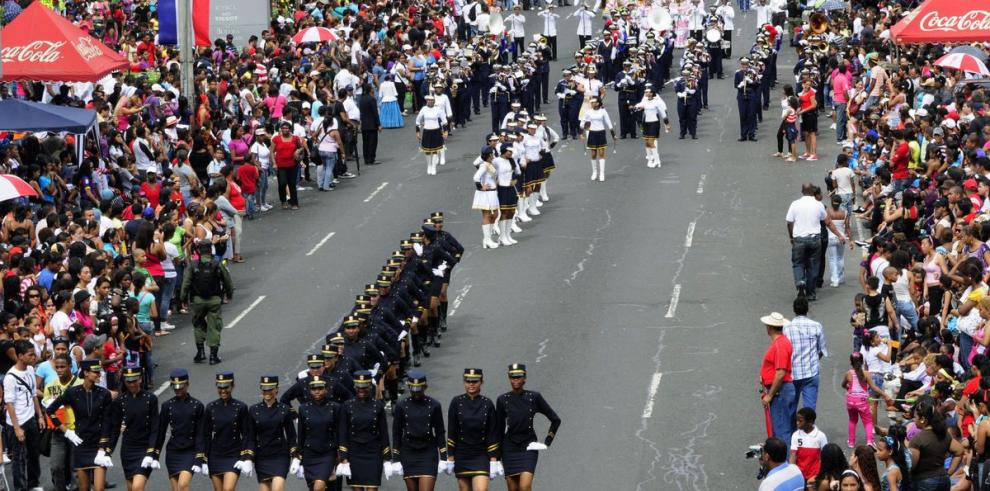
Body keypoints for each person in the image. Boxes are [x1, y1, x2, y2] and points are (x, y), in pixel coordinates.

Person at [46, 359, 114, 491]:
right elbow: (50, 410)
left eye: (99, 372)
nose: (99, 375)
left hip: (98, 444)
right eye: (95, 372)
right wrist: (66, 431)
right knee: (84, 488)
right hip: (81, 444)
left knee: (99, 488)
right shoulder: (72, 392)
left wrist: (102, 447)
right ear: (86, 373)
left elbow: (107, 422)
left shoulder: (104, 394)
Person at [495, 364, 561, 491]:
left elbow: (555, 419)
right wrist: (496, 457)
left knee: (525, 486)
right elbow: (498, 430)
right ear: (509, 378)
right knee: (513, 488)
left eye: (519, 377)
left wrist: (547, 441)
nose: (515, 380)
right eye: (512, 377)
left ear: (524, 378)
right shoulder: (502, 400)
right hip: (509, 448)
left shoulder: (534, 397)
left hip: (528, 446)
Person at [786, 183, 847, 301]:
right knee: (813, 265)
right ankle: (811, 293)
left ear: (802, 191)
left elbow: (789, 222)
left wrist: (791, 237)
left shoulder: (795, 204)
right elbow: (828, 222)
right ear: (812, 192)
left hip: (799, 239)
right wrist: (839, 235)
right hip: (815, 239)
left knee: (798, 263)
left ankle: (800, 282)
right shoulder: (818, 205)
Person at [105, 366, 159, 491]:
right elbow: (115, 429)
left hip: (145, 448)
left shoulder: (151, 399)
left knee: (137, 487)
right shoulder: (120, 401)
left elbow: (155, 427)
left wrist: (151, 452)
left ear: (140, 379)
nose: (132, 384)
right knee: (131, 488)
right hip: (128, 449)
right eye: (128, 381)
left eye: (135, 380)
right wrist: (108, 451)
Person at [338, 370, 393, 490]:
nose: (361, 390)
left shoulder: (378, 406)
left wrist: (387, 458)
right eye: (358, 387)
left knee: (372, 487)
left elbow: (384, 434)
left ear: (370, 387)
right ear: (354, 387)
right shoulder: (347, 406)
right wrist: (344, 458)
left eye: (365, 387)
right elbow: (343, 433)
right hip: (354, 452)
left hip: (373, 452)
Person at [392, 370, 447, 490]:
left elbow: (439, 432)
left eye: (419, 389)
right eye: (413, 389)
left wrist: (443, 456)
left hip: (428, 451)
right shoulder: (401, 406)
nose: (416, 392)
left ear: (425, 387)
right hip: (408, 452)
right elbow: (396, 432)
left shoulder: (434, 405)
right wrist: (395, 457)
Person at [447, 368, 501, 490]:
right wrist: (450, 456)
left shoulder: (488, 404)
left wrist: (493, 460)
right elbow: (452, 431)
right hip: (462, 454)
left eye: (475, 381)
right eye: (468, 381)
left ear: (482, 382)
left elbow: (492, 434)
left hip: (481, 454)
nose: (471, 384)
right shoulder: (456, 402)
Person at [181, 240, 233, 365]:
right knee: (214, 326)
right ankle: (213, 356)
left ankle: (200, 353)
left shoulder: (193, 265)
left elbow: (186, 284)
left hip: (198, 300)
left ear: (198, 250)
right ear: (210, 250)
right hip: (214, 300)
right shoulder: (217, 264)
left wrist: (183, 299)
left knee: (198, 324)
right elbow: (227, 281)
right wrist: (229, 294)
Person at [153, 368, 205, 491]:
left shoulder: (197, 406)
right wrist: (154, 454)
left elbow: (201, 434)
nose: (177, 390)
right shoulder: (167, 406)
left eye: (180, 387)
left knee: (183, 485)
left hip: (190, 450)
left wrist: (200, 457)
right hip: (173, 452)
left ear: (187, 384)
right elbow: (160, 432)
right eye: (175, 387)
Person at [244, 375, 297, 490]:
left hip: (280, 455)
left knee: (277, 488)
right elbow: (251, 437)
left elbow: (291, 435)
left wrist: (295, 456)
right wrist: (248, 458)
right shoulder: (254, 410)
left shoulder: (284, 409)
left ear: (277, 389)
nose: (267, 392)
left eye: (270, 389)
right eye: (264, 389)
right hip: (262, 455)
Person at [4, 339, 43, 491]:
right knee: (18, 460)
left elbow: (33, 394)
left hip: (31, 419)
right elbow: (9, 404)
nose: (34, 357)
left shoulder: (31, 370)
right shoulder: (10, 377)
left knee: (34, 454)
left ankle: (33, 484)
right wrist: (16, 428)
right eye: (30, 355)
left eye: (34, 354)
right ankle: (20, 488)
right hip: (17, 423)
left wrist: (39, 415)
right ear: (20, 356)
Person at [202, 371, 251, 491]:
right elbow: (206, 435)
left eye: (226, 387)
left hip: (233, 454)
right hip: (215, 455)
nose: (223, 390)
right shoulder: (210, 407)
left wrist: (245, 457)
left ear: (233, 386)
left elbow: (246, 434)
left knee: (228, 489)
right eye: (220, 387)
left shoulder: (241, 407)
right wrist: (203, 459)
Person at [41, 352, 82, 491]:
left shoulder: (81, 384)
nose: (59, 370)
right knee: (56, 466)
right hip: (58, 432)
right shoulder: (50, 387)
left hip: (77, 431)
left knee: (76, 468)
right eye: (57, 367)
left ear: (70, 367)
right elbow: (48, 409)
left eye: (62, 367)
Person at [295, 375, 342, 490]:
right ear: (310, 391)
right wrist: (298, 457)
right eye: (314, 389)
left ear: (326, 389)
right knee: (313, 488)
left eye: (320, 389)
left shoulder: (334, 407)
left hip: (327, 453)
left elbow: (339, 431)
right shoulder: (303, 408)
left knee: (318, 487)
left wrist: (341, 453)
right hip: (309, 454)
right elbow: (301, 434)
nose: (317, 392)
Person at [908, 396, 965, 490]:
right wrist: (948, 473)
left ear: (923, 419)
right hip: (943, 479)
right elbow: (959, 451)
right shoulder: (944, 434)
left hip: (924, 482)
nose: (914, 420)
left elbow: (912, 465)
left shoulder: (917, 439)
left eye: (915, 417)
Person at [782, 297, 827, 411]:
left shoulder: (786, 328)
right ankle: (807, 428)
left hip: (792, 375)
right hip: (811, 372)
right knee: (809, 411)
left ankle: (792, 429)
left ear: (794, 310)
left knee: (791, 409)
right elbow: (822, 350)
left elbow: (784, 351)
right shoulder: (816, 326)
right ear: (807, 309)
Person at [760, 312, 796, 447]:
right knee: (782, 427)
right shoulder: (781, 343)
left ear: (770, 327)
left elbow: (780, 373)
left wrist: (770, 395)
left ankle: (784, 462)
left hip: (780, 391)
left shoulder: (780, 345)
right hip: (782, 391)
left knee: (781, 430)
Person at [842, 352, 889, 448]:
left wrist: (848, 387)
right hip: (862, 402)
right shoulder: (866, 374)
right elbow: (874, 387)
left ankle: (851, 442)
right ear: (862, 362)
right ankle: (870, 441)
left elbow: (843, 385)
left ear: (851, 362)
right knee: (868, 422)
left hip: (850, 401)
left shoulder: (848, 373)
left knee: (852, 421)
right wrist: (885, 395)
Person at [633, 87, 671, 169]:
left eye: (647, 92)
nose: (646, 93)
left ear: (652, 93)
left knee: (651, 142)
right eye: (645, 92)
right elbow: (639, 105)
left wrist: (667, 124)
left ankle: (657, 161)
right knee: (647, 142)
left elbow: (663, 114)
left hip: (654, 123)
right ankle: (650, 159)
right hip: (646, 123)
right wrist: (634, 107)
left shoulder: (657, 102)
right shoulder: (645, 102)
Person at [269, 121, 304, 210]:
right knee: (282, 183)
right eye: (283, 128)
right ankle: (283, 200)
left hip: (293, 164)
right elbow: (272, 152)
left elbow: (301, 147)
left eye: (287, 128)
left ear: (290, 129)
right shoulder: (276, 139)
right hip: (281, 165)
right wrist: (274, 163)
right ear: (281, 129)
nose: (285, 130)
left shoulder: (295, 138)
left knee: (292, 184)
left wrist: (298, 151)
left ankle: (294, 202)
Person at [580, 96, 616, 182]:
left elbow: (609, 123)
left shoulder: (603, 111)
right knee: (593, 154)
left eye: (594, 102)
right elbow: (583, 123)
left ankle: (602, 173)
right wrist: (581, 134)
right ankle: (594, 172)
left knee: (601, 153)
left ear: (598, 103)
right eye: (591, 102)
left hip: (601, 133)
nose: (592, 104)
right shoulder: (588, 112)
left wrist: (613, 135)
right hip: (592, 133)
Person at [473, 147, 501, 249]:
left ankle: (487, 238)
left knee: (496, 214)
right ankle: (487, 240)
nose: (493, 155)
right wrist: (481, 187)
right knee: (487, 216)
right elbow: (476, 177)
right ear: (489, 155)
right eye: (492, 154)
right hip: (486, 194)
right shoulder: (484, 165)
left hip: (493, 193)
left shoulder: (490, 165)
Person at [789, 407, 826, 483]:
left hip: (815, 476)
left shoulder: (820, 436)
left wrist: (820, 474)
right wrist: (792, 473)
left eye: (800, 421)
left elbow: (824, 457)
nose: (797, 423)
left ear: (810, 422)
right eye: (797, 420)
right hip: (799, 475)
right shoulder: (795, 435)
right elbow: (793, 455)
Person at [415, 95, 448, 176]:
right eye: (428, 100)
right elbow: (417, 121)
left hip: (436, 131)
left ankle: (433, 167)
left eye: (432, 100)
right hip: (427, 132)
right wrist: (418, 132)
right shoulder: (423, 109)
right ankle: (429, 166)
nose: (430, 102)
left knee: (435, 151)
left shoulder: (438, 109)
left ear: (434, 101)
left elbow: (444, 121)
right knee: (427, 152)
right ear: (426, 101)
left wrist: (445, 132)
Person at [358, 83, 381, 165]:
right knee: (372, 142)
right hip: (372, 124)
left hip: (364, 124)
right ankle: (371, 158)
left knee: (365, 142)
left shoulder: (362, 99)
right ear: (370, 89)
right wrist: (379, 124)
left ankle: (366, 158)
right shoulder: (372, 99)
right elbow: (375, 113)